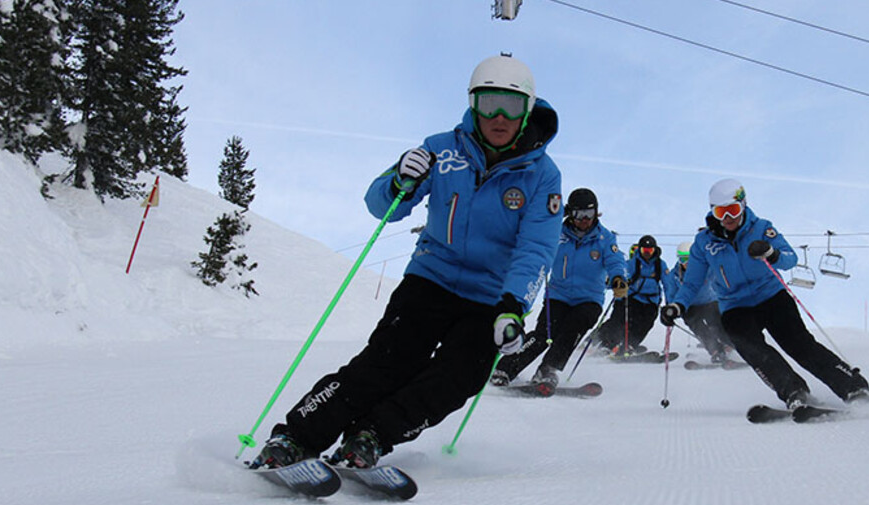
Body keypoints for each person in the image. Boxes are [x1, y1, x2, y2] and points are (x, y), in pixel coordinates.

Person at [249, 53, 562, 470]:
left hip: (490, 297)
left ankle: (372, 435)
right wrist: (400, 179)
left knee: (459, 376)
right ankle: (297, 437)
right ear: (473, 105)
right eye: (489, 104)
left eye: (512, 106)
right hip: (430, 279)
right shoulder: (440, 148)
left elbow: (536, 247)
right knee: (389, 360)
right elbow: (382, 205)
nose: (499, 117)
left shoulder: (543, 175)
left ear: (527, 111)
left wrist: (512, 307)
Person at [660, 179, 869, 409]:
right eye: (721, 212)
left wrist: (771, 252)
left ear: (743, 205)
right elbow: (691, 283)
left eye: (733, 210)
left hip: (771, 297)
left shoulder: (761, 228)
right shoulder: (704, 243)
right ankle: (794, 392)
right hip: (735, 306)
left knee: (799, 345)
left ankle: (852, 387)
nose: (728, 218)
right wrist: (677, 306)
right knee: (753, 351)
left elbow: (790, 259)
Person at [489, 187, 627, 393]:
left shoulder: (605, 238)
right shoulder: (555, 234)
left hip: (588, 299)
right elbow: (533, 238)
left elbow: (616, 261)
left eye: (589, 214)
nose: (584, 220)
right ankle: (505, 369)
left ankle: (548, 370)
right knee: (544, 334)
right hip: (558, 295)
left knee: (573, 328)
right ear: (570, 213)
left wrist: (618, 279)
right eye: (579, 214)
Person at [663, 241, 735, 364]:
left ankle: (732, 345)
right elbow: (671, 294)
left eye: (689, 259)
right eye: (683, 259)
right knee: (700, 330)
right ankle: (716, 351)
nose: (687, 263)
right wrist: (671, 311)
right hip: (689, 307)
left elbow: (721, 278)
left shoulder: (707, 269)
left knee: (718, 325)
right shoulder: (674, 276)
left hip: (709, 302)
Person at [597, 234, 668, 354]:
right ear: (639, 249)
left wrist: (671, 302)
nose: (647, 253)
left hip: (650, 302)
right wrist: (611, 284)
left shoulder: (660, 265)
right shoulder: (631, 263)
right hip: (631, 298)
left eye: (650, 250)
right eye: (644, 250)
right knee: (619, 321)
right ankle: (604, 342)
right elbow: (620, 276)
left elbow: (668, 283)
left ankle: (629, 345)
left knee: (645, 324)